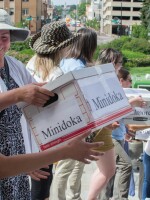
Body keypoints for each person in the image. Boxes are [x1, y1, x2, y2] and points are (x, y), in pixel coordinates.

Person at [0, 9, 103, 199]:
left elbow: (34, 109)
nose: (1, 43)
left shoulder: (13, 65)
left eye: (4, 36)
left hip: (16, 169)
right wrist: (64, 151)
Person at [52, 27, 98, 200]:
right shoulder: (79, 68)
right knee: (66, 166)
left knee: (70, 164)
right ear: (90, 45)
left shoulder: (65, 62)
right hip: (76, 122)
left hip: (64, 120)